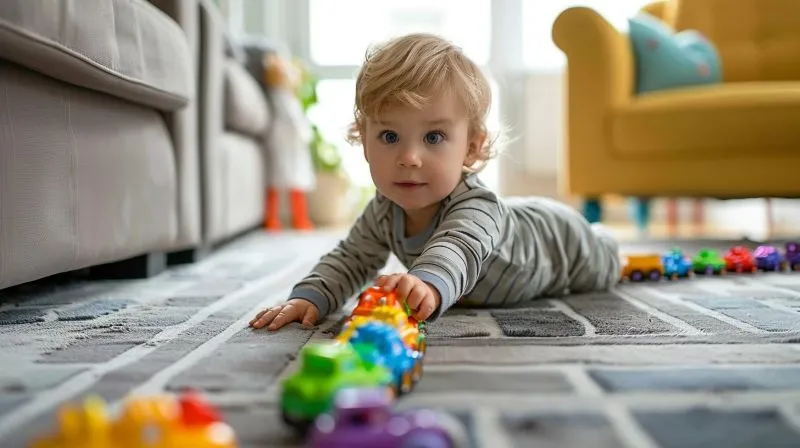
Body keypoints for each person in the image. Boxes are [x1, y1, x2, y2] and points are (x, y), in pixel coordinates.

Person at [249, 33, 620, 332]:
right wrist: (310, 297)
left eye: (434, 138)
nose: (409, 157)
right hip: (525, 232)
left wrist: (426, 281)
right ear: (364, 140)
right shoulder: (382, 210)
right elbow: (351, 259)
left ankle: (604, 239)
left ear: (471, 147)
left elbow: (458, 248)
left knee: (605, 267)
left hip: (558, 243)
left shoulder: (478, 206)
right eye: (390, 137)